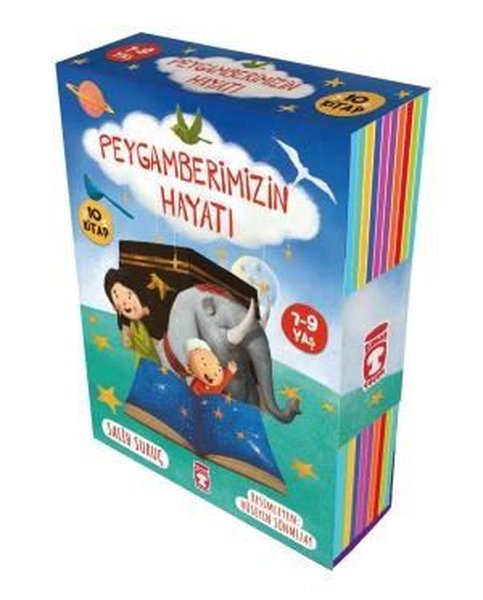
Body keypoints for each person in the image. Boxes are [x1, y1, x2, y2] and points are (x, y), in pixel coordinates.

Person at [104, 267, 174, 365]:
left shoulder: (158, 311)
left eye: (129, 296)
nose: (125, 303)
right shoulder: (128, 320)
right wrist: (125, 329)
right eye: (117, 297)